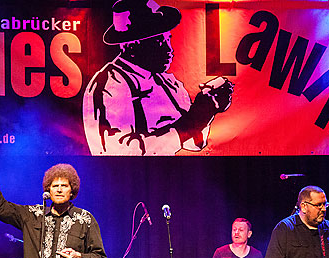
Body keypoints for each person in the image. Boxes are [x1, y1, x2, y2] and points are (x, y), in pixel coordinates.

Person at [83, 0, 234, 155]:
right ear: (132, 46)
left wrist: (206, 109)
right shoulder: (109, 85)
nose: (169, 49)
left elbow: (192, 142)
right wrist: (195, 117)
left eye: (168, 39)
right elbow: (121, 152)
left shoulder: (168, 83)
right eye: (159, 42)